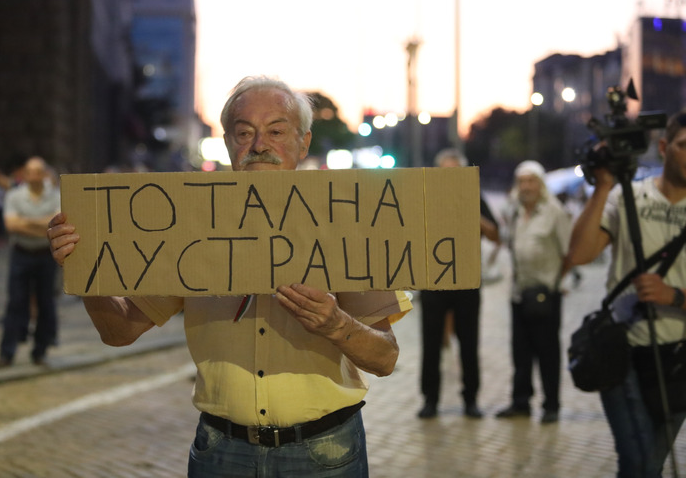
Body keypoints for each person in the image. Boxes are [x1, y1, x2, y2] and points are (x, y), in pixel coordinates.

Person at [47, 75, 412, 477]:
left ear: (303, 142)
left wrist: (336, 324)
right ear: (227, 142)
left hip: (324, 453)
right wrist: (86, 271)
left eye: (276, 131)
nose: (259, 145)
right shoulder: (188, 224)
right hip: (222, 454)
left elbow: (385, 358)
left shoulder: (347, 223)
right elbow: (119, 331)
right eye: (244, 132)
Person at [566, 112, 686, 476]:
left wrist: (673, 295)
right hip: (620, 352)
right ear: (663, 147)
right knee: (639, 462)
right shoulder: (629, 197)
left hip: (680, 362)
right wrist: (604, 187)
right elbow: (579, 255)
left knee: (647, 466)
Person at [416, 148, 500, 419]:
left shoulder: (474, 196)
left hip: (466, 282)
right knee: (430, 345)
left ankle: (471, 399)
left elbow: (495, 234)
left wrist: (467, 210)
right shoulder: (426, 198)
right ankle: (430, 400)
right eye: (444, 173)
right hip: (433, 283)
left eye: (454, 173)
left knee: (469, 343)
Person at [494, 160, 571, 424]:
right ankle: (521, 402)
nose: (526, 187)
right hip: (519, 294)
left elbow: (567, 251)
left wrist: (558, 282)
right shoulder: (514, 211)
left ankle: (551, 405)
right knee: (521, 351)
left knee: (548, 352)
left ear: (541, 185)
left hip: (546, 294)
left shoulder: (554, 212)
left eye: (531, 181)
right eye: (522, 181)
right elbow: (506, 240)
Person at [0, 156, 61, 368]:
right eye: (29, 172)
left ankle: (40, 351)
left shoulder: (55, 195)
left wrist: (26, 222)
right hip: (21, 254)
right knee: (15, 302)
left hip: (45, 255)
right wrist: (43, 225)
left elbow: (57, 224)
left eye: (38, 172)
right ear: (24, 174)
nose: (33, 176)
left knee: (46, 303)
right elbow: (11, 225)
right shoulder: (15, 195)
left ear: (43, 174)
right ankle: (7, 352)